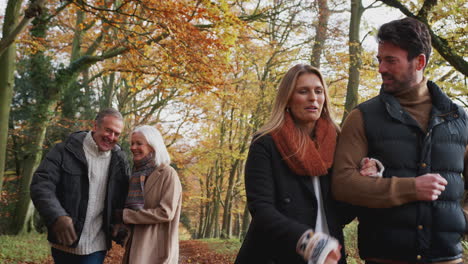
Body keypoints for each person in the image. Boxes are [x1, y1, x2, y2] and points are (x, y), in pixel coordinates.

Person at [332, 17, 468, 264]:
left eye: (390, 60)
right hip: (384, 258)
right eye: (380, 60)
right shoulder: (362, 117)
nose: (381, 68)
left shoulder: (459, 119)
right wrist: (411, 188)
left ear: (420, 62)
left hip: (447, 259)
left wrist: (461, 219)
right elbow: (342, 184)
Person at [235, 64, 380, 264]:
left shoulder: (337, 143)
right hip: (276, 255)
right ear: (287, 99)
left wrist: (364, 181)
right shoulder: (265, 143)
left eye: (318, 91)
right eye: (303, 91)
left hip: (329, 257)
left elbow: (341, 214)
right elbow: (262, 210)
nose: (313, 98)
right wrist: (309, 243)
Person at [30, 108, 130, 264]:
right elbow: (41, 185)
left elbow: (124, 195)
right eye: (108, 130)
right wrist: (57, 216)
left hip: (97, 244)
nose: (111, 137)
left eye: (117, 134)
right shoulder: (64, 150)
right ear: (95, 126)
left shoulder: (120, 161)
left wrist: (120, 222)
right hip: (63, 242)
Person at [118, 125, 182, 264]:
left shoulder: (167, 173)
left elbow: (166, 212)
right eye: (132, 143)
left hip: (156, 251)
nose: (133, 147)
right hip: (134, 246)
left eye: (139, 143)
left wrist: (126, 215)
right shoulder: (136, 174)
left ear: (153, 146)